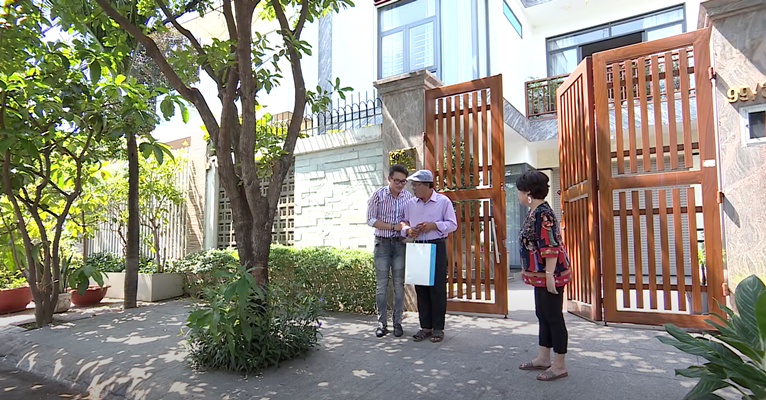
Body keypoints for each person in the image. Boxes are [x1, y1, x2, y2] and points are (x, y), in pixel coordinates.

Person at [515, 170, 571, 381]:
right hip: (541, 274)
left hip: (551, 273)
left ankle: (559, 365)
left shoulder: (543, 214)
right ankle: (543, 357)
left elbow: (550, 246)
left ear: (528, 193)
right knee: (543, 314)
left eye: (520, 191)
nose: (518, 195)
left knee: (553, 317)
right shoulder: (535, 212)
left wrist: (549, 275)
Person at [401, 169, 457, 343]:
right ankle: (425, 326)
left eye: (416, 185)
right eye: (412, 185)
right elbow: (404, 222)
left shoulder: (443, 201)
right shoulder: (411, 203)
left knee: (437, 288)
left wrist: (435, 225)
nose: (413, 188)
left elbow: (452, 224)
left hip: (436, 245)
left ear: (427, 185)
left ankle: (438, 328)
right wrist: (408, 230)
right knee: (421, 287)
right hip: (418, 246)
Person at [366, 164, 415, 338]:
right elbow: (370, 220)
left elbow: (409, 219)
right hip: (382, 243)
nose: (400, 184)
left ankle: (397, 323)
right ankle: (381, 323)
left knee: (398, 285)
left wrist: (406, 227)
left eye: (403, 182)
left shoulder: (408, 197)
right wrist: (393, 226)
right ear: (389, 179)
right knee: (381, 285)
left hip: (400, 244)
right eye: (397, 181)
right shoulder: (378, 195)